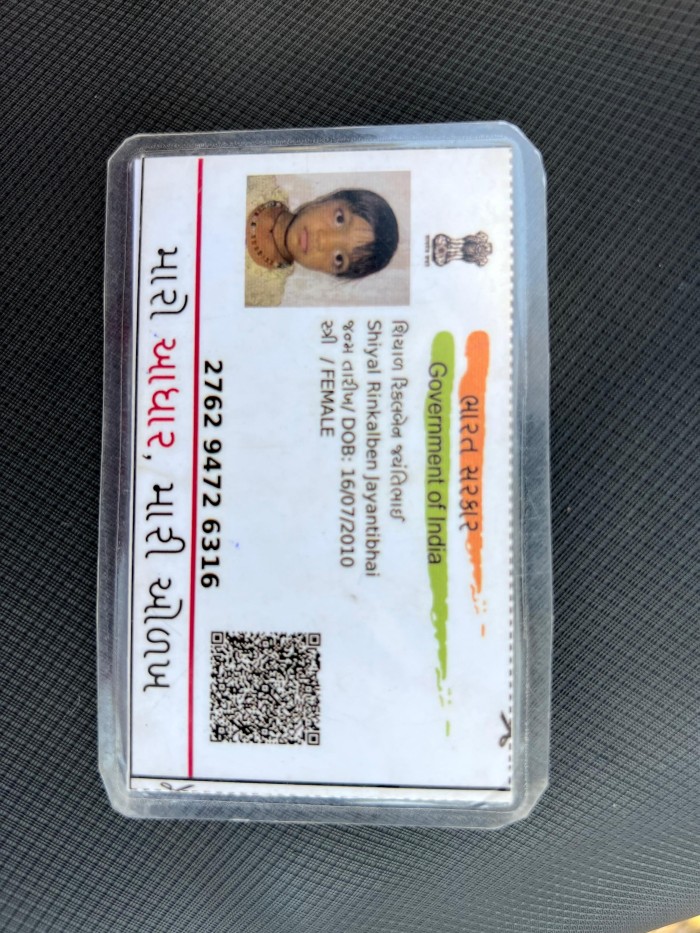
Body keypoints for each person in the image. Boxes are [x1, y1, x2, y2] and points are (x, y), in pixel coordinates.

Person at [246, 189, 399, 281]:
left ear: (330, 273)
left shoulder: (261, 294)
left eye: (339, 258)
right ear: (330, 199)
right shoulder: (257, 182)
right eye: (339, 219)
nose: (323, 240)